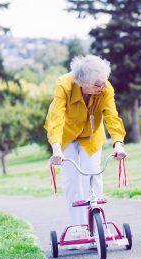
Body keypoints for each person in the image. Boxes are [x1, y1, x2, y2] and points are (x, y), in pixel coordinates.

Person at [44, 54, 127, 238]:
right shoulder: (64, 85)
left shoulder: (105, 87)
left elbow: (112, 117)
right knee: (72, 180)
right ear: (83, 83)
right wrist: (56, 149)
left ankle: (97, 224)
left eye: (104, 82)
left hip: (90, 135)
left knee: (92, 174)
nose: (103, 86)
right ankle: (78, 228)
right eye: (98, 84)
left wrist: (118, 144)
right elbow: (56, 118)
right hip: (66, 136)